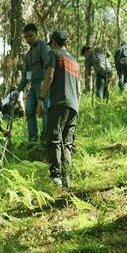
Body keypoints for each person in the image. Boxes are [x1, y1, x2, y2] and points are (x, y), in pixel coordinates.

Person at [40, 30, 81, 188]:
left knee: (55, 139)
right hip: (74, 106)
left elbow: (49, 76)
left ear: (54, 42)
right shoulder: (75, 62)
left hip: (58, 103)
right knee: (68, 143)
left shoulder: (54, 55)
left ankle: (55, 178)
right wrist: (77, 108)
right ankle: (67, 179)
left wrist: (40, 99)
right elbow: (79, 89)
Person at [16, 23, 53, 142]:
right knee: (29, 110)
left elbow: (48, 67)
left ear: (36, 34)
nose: (28, 39)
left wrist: (44, 85)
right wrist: (18, 90)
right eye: (25, 37)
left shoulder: (43, 47)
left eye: (30, 36)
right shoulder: (28, 55)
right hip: (33, 86)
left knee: (44, 109)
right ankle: (33, 137)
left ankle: (46, 136)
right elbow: (26, 76)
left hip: (43, 84)